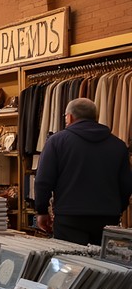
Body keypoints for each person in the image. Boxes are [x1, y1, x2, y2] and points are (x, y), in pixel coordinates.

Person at [34, 97, 132, 245]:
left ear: (70, 117)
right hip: (107, 218)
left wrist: (41, 211)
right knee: (104, 266)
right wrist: (117, 209)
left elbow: (43, 181)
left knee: (70, 264)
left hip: (69, 218)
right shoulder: (118, 145)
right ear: (95, 117)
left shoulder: (56, 141)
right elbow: (126, 185)